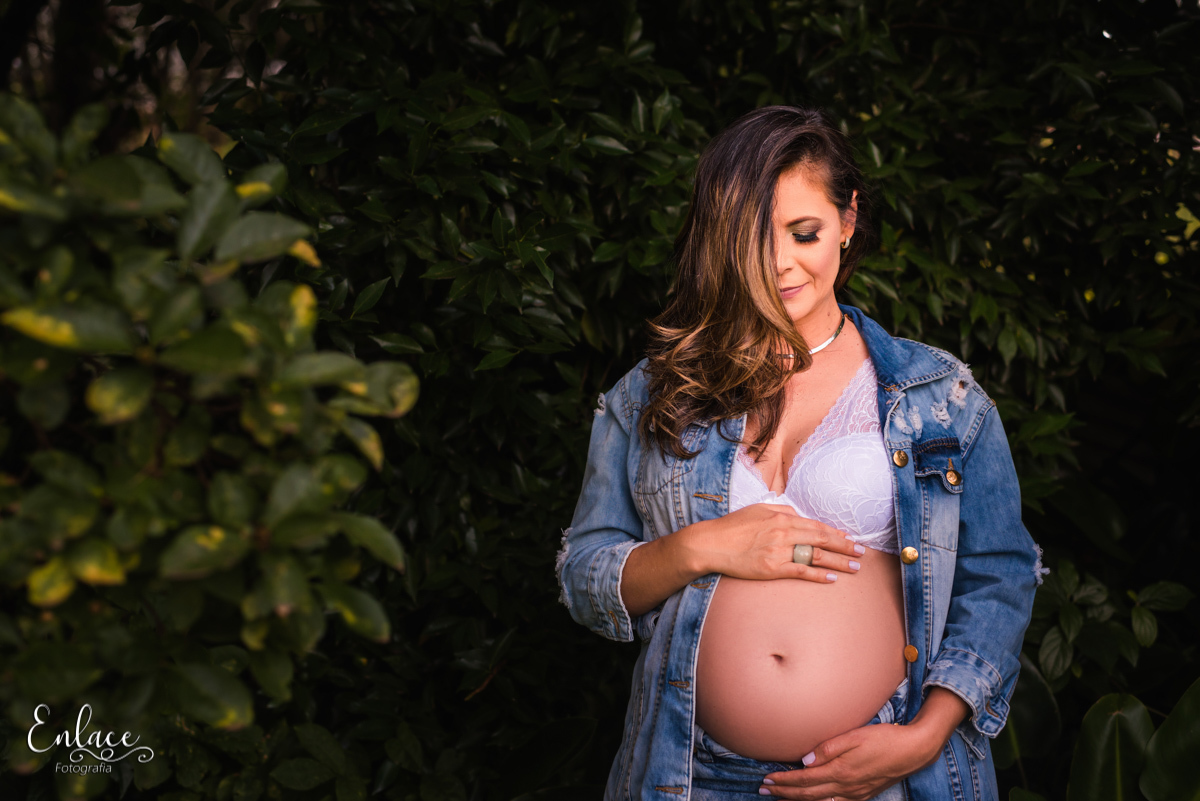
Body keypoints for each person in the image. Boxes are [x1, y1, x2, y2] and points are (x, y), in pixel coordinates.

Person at [554, 105, 1043, 801]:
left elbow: (1001, 570)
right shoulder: (655, 395)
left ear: (848, 220)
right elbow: (585, 577)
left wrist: (925, 733)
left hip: (882, 774)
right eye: (753, 238)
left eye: (804, 232)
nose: (780, 263)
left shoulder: (939, 396)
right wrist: (703, 545)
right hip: (690, 774)